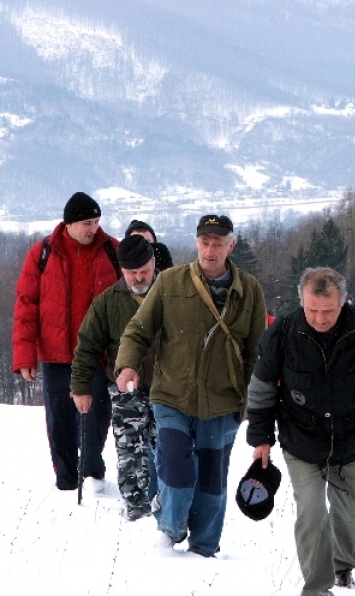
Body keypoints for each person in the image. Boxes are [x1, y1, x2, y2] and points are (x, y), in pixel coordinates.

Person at [246, 267, 355, 596]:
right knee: (311, 511)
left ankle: (342, 568)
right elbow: (261, 389)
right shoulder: (283, 333)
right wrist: (261, 438)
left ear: (344, 301)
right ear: (301, 302)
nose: (320, 319)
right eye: (312, 310)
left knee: (350, 513)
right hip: (300, 439)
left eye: (328, 311)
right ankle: (317, 588)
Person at [115, 214, 267, 557]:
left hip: (223, 401)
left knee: (212, 482)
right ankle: (168, 532)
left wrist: (252, 406)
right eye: (204, 243)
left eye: (217, 243)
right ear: (196, 242)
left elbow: (259, 354)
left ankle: (204, 549)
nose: (209, 251)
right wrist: (127, 365)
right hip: (172, 396)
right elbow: (138, 330)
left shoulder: (250, 291)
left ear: (231, 245)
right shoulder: (170, 283)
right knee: (175, 468)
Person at [13, 191, 119, 492]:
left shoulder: (112, 250)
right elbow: (26, 305)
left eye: (97, 221)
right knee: (60, 424)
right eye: (87, 222)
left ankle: (93, 477)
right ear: (69, 223)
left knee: (96, 420)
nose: (93, 229)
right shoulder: (43, 252)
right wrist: (24, 356)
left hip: (97, 356)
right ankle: (66, 484)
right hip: (56, 355)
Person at [70, 234, 159, 520]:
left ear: (154, 263)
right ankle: (136, 509)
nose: (139, 277)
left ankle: (166, 508)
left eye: (144, 270)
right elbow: (86, 348)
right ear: (122, 270)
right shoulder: (107, 303)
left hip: (169, 389)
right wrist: (81, 387)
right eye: (132, 272)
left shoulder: (173, 293)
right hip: (125, 390)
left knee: (167, 451)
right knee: (130, 452)